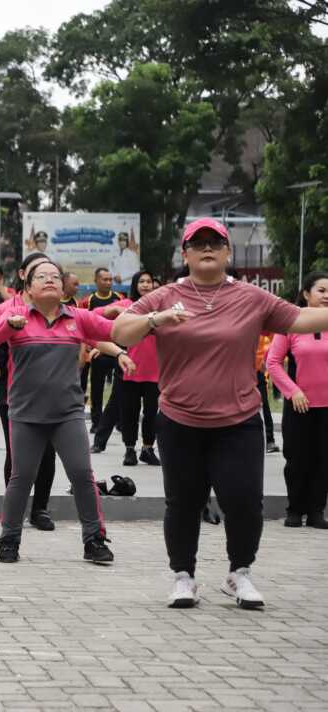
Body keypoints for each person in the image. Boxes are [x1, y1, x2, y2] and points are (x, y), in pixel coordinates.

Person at [113, 218, 328, 609]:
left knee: (244, 500)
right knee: (183, 502)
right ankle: (183, 577)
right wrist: (155, 320)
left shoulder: (251, 297)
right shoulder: (163, 296)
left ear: (228, 252)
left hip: (239, 421)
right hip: (179, 420)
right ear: (186, 253)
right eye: (199, 243)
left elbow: (302, 318)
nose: (207, 248)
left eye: (216, 242)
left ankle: (239, 573)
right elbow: (120, 333)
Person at [0, 259, 122, 566]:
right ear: (28, 287)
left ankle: (94, 539)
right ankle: (9, 539)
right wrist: (8, 325)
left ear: (64, 285)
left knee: (82, 474)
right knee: (22, 478)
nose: (49, 280)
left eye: (55, 276)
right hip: (26, 414)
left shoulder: (78, 317)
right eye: (41, 277)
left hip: (68, 414)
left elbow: (113, 331)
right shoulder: (16, 314)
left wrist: (142, 321)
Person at [0, 253, 61, 531]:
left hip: (52, 394)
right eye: (38, 271)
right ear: (24, 275)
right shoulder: (8, 308)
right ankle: (15, 510)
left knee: (47, 453)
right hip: (15, 390)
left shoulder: (58, 308)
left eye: (51, 272)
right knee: (17, 455)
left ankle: (40, 509)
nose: (46, 277)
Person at [265, 271, 328, 529]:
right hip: (300, 405)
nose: (327, 296)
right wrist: (293, 392)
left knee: (324, 460)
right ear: (306, 294)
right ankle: (295, 510)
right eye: (321, 290)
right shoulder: (292, 324)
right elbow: (273, 362)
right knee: (297, 460)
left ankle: (316, 512)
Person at [94, 271, 162, 467]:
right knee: (129, 412)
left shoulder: (161, 307)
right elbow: (97, 315)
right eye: (141, 281)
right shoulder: (127, 305)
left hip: (155, 371)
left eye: (149, 281)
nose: (146, 285)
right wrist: (114, 313)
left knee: (151, 413)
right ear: (135, 284)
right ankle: (130, 450)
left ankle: (148, 449)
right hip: (130, 369)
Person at [83, 268, 124, 432]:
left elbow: (123, 324)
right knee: (96, 388)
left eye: (110, 279)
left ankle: (119, 420)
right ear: (96, 281)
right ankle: (96, 421)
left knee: (120, 386)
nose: (108, 282)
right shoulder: (89, 300)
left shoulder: (119, 299)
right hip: (98, 351)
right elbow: (87, 326)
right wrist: (93, 346)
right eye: (104, 279)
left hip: (117, 349)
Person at [255, 334, 280, 453]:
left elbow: (273, 338)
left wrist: (266, 359)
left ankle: (269, 440)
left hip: (256, 370)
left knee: (264, 403)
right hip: (237, 370)